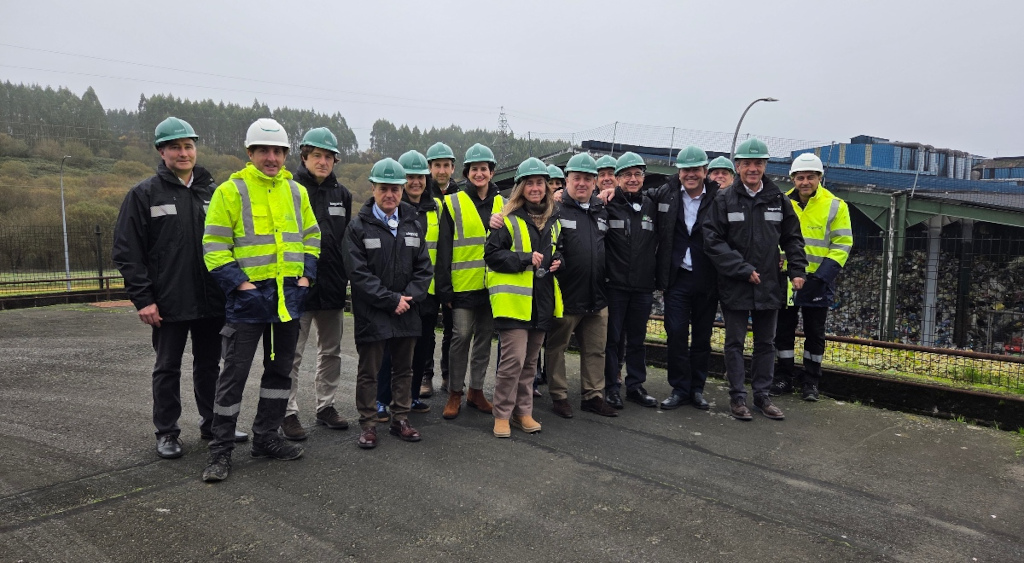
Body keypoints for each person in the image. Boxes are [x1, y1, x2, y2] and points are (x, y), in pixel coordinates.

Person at [113, 117, 247, 460]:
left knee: (210, 365)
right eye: (175, 147)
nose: (183, 153)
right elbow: (127, 252)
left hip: (212, 298)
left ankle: (213, 423)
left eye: (188, 146)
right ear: (162, 152)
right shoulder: (144, 194)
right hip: (168, 301)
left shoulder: (213, 192)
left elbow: (233, 243)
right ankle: (167, 432)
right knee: (167, 367)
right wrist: (143, 299)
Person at [200, 118, 320, 482]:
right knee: (233, 376)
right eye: (264, 151)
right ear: (250, 153)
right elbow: (214, 246)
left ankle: (266, 437)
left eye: (278, 151)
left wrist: (306, 277)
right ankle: (220, 450)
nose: (272, 157)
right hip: (247, 302)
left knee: (280, 372)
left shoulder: (296, 192)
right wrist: (241, 286)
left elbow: (312, 237)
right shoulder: (230, 191)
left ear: (286, 154)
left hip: (287, 299)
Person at [703, 138, 806, 422]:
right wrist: (741, 268)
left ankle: (762, 396)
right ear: (737, 166)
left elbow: (792, 237)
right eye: (747, 163)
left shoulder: (778, 199)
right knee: (734, 342)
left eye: (758, 163)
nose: (752, 168)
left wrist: (798, 270)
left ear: (765, 166)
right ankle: (738, 398)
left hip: (769, 283)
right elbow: (712, 241)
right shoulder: (724, 200)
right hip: (736, 283)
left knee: (765, 343)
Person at [343, 158, 433, 449]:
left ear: (402, 189)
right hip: (373, 312)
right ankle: (368, 425)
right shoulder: (358, 227)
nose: (390, 194)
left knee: (404, 370)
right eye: (384, 188)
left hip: (407, 310)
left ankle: (400, 419)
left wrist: (407, 298)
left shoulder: (412, 224)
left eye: (395, 189)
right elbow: (358, 274)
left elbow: (424, 269)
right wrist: (391, 300)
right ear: (373, 188)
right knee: (369, 372)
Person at [280, 127, 352, 441]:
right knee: (291, 354)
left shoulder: (342, 195)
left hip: (333, 285)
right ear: (304, 157)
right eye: (317, 156)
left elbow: (346, 240)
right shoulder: (289, 190)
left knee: (331, 351)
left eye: (328, 157)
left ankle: (326, 406)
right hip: (297, 286)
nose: (323, 162)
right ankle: (287, 412)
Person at [485, 158, 562, 437]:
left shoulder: (554, 219)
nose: (535, 188)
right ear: (521, 187)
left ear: (547, 187)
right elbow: (492, 255)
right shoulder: (507, 219)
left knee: (530, 363)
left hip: (541, 300)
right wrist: (524, 259)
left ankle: (523, 412)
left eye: (540, 183)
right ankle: (502, 414)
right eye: (529, 183)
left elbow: (559, 249)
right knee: (513, 362)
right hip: (514, 304)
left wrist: (559, 260)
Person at [771, 152, 852, 401]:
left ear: (819, 178)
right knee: (783, 331)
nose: (805, 182)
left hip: (818, 280)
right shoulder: (782, 202)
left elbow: (842, 243)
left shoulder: (835, 205)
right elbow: (772, 237)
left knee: (814, 333)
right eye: (800, 177)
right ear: (793, 179)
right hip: (786, 278)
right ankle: (783, 377)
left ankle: (811, 381)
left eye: (810, 177)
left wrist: (821, 276)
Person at [544, 153, 619, 418]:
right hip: (567, 294)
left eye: (588, 179)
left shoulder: (601, 210)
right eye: (577, 178)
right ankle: (559, 396)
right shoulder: (555, 209)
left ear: (595, 182)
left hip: (597, 294)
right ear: (567, 180)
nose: (582, 183)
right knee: (557, 347)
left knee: (596, 350)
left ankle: (593, 396)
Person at [435, 143, 503, 420]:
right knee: (461, 337)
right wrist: (444, 288)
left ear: (491, 172)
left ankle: (476, 391)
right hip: (462, 285)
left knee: (485, 338)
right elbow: (443, 248)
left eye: (483, 169)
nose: (479, 173)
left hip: (492, 286)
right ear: (466, 173)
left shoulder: (503, 204)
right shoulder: (453, 203)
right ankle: (455, 392)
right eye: (474, 169)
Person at [374, 150, 444, 416]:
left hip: (426, 293)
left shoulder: (436, 208)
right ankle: (382, 399)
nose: (416, 182)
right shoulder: (393, 208)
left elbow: (443, 250)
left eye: (420, 177)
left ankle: (411, 396)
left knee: (421, 348)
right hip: (396, 293)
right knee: (389, 350)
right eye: (410, 177)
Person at [651, 146, 720, 411]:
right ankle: (680, 388)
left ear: (705, 171)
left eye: (696, 169)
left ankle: (697, 389)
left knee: (702, 337)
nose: (691, 174)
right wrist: (609, 191)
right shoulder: (666, 193)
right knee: (676, 333)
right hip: (677, 277)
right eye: (686, 170)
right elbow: (640, 196)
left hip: (707, 277)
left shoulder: (718, 197)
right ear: (679, 172)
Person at [602, 152, 658, 409]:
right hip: (615, 285)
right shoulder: (606, 205)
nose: (633, 179)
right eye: (627, 175)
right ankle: (611, 387)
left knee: (637, 339)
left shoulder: (652, 205)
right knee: (612, 339)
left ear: (643, 177)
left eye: (637, 174)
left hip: (643, 286)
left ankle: (635, 386)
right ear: (617, 178)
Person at [422, 141, 460, 398]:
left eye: (446, 165)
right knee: (426, 331)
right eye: (437, 165)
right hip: (426, 275)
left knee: (452, 330)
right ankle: (426, 376)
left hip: (452, 275)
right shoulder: (422, 195)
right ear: (430, 168)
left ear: (453, 168)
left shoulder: (460, 197)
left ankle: (449, 375)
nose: (442, 170)